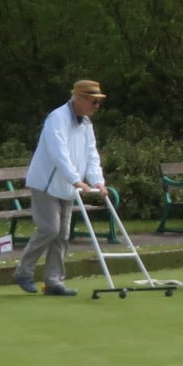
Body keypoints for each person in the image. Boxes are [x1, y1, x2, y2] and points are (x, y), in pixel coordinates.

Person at [14, 79, 109, 297]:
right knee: (50, 229)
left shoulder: (86, 123)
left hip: (68, 186)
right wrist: (76, 179)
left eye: (98, 103)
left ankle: (54, 281)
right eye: (94, 102)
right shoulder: (57, 118)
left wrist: (98, 181)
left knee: (63, 234)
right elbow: (59, 153)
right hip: (46, 184)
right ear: (80, 99)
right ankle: (23, 271)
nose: (97, 107)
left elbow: (91, 154)